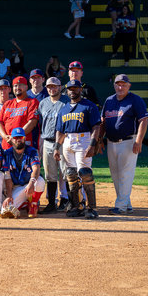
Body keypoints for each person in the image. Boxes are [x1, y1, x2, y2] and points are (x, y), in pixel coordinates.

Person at [98, 74, 148, 215]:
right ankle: (127, 204)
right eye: (118, 84)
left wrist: (138, 140)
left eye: (123, 84)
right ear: (114, 85)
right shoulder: (109, 100)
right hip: (111, 142)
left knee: (125, 174)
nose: (120, 87)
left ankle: (120, 206)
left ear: (129, 86)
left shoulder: (135, 100)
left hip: (128, 141)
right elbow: (103, 122)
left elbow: (143, 120)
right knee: (116, 175)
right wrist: (100, 139)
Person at [53, 80, 101, 219]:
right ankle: (77, 205)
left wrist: (92, 144)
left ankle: (92, 208)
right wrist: (57, 147)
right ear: (66, 91)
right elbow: (60, 131)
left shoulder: (89, 106)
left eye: (75, 88)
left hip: (84, 139)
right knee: (71, 174)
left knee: (85, 173)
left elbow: (96, 127)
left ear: (80, 89)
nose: (72, 90)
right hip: (67, 141)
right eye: (70, 88)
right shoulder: (64, 108)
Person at [37, 77, 70, 214]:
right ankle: (51, 203)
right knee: (50, 175)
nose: (52, 89)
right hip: (47, 142)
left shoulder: (66, 102)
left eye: (55, 86)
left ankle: (71, 203)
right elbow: (40, 123)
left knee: (67, 173)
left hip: (63, 141)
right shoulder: (43, 103)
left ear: (60, 87)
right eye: (49, 86)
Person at [1, 128, 44, 218]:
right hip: (16, 187)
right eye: (15, 137)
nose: (18, 140)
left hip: (29, 184)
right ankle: (25, 203)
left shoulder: (32, 151)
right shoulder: (7, 153)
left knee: (39, 181)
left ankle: (33, 204)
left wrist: (32, 182)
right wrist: (9, 195)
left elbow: (36, 168)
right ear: (11, 139)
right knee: (6, 210)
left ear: (24, 138)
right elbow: (7, 176)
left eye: (20, 137)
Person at [0, 76, 39, 150]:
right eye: (15, 86)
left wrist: (16, 137)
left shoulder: (32, 102)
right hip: (7, 145)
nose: (17, 88)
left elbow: (32, 122)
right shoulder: (7, 103)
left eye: (20, 85)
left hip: (24, 145)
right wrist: (5, 137)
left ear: (26, 87)